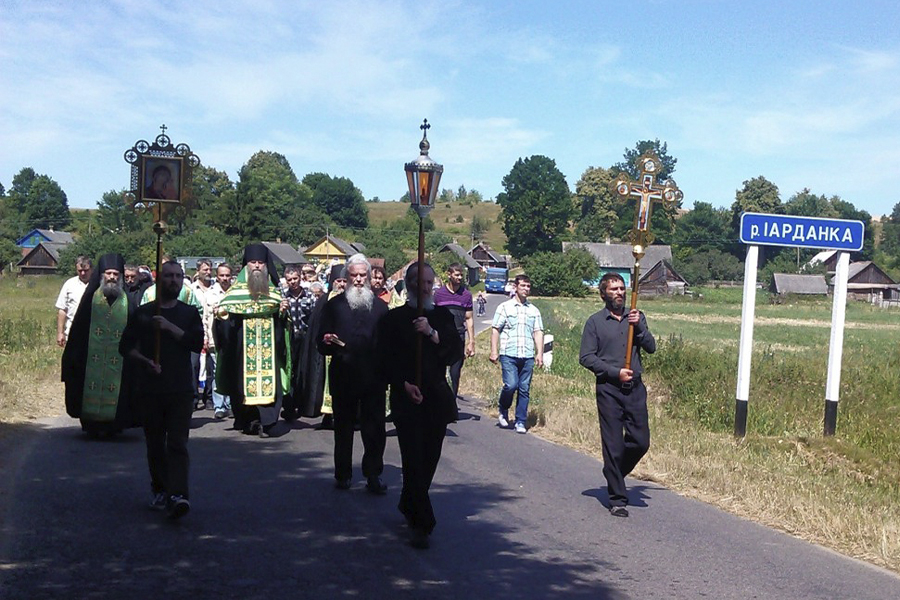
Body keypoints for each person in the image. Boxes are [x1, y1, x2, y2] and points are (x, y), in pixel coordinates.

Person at [378, 262, 463, 549]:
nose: (425, 288)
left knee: (428, 460)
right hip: (406, 399)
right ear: (409, 285)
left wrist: (431, 333)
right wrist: (402, 383)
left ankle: (408, 501)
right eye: (419, 283)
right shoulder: (393, 320)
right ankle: (421, 524)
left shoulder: (441, 317)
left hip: (436, 399)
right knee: (412, 460)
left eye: (429, 283)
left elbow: (453, 353)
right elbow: (383, 360)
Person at [119, 260, 204, 519]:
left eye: (178, 276)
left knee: (177, 443)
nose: (174, 281)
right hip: (150, 389)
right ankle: (160, 488)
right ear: (159, 280)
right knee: (155, 443)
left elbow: (195, 342)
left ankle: (178, 494)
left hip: (180, 389)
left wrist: (169, 327)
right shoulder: (143, 313)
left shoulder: (189, 313)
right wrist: (146, 361)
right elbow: (126, 347)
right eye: (168, 276)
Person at [578, 273, 656, 518]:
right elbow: (586, 357)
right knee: (612, 444)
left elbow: (651, 347)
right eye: (613, 289)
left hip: (634, 388)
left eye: (622, 288)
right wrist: (614, 372)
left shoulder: (636, 317)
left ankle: (614, 473)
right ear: (603, 294)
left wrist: (640, 326)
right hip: (609, 389)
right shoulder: (594, 323)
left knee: (641, 441)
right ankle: (618, 498)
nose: (620, 293)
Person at [317, 254, 389, 492]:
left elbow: (388, 344)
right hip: (343, 374)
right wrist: (327, 340)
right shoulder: (333, 306)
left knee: (374, 428)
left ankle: (373, 474)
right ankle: (343, 474)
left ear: (369, 278)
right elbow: (320, 343)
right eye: (353, 275)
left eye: (362, 275)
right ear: (346, 278)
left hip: (373, 377)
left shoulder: (381, 308)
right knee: (344, 427)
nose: (358, 280)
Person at [214, 245, 291, 437]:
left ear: (266, 266)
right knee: (241, 385)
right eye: (253, 262)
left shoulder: (274, 294)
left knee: (270, 383)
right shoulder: (233, 294)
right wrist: (221, 317)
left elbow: (283, 328)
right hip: (242, 352)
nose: (257, 266)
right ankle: (250, 421)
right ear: (246, 266)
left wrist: (282, 313)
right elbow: (227, 328)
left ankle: (268, 422)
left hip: (269, 351)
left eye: (260, 263)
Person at [61, 253, 139, 436]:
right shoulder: (90, 300)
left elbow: (136, 332)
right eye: (108, 273)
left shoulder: (128, 302)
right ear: (101, 274)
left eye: (115, 274)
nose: (112, 277)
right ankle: (91, 425)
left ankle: (115, 425)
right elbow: (78, 333)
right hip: (91, 361)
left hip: (120, 362)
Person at [489, 274, 544, 434]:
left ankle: (520, 420)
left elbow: (538, 332)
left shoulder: (534, 310)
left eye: (528, 286)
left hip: (527, 355)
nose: (526, 289)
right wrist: (494, 351)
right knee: (511, 385)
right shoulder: (505, 307)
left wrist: (539, 353)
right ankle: (503, 409)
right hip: (509, 353)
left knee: (524, 388)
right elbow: (495, 329)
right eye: (523, 286)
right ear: (515, 287)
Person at [299, 266, 343, 426]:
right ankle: (327, 415)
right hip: (327, 351)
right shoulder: (324, 300)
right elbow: (316, 327)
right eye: (339, 281)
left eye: (345, 281)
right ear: (333, 282)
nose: (342, 284)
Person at [433, 263, 475, 406]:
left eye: (461, 275)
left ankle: (452, 402)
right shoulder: (438, 294)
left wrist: (471, 341)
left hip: (458, 337)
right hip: (441, 337)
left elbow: (469, 318)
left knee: (455, 373)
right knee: (439, 371)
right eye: (456, 275)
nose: (459, 277)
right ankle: (439, 401)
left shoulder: (466, 295)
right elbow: (433, 315)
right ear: (449, 274)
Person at [280, 265, 315, 421]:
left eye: (295, 279)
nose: (293, 282)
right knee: (290, 371)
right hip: (289, 339)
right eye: (289, 280)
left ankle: (303, 404)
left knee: (303, 371)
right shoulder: (283, 297)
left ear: (301, 277)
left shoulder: (310, 296)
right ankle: (289, 406)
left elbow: (314, 317)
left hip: (305, 338)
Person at [192, 259, 215, 410]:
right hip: (195, 330)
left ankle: (209, 397)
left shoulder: (215, 287)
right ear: (198, 271)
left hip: (213, 332)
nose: (208, 272)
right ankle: (194, 398)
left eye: (209, 269)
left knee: (211, 366)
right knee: (194, 365)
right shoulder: (192, 289)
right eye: (205, 269)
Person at [55, 256, 92, 347]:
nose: (83, 273)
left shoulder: (98, 284)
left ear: (91, 269)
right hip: (72, 332)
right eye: (80, 271)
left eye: (86, 270)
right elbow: (62, 310)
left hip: (94, 334)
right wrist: (60, 333)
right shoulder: (69, 284)